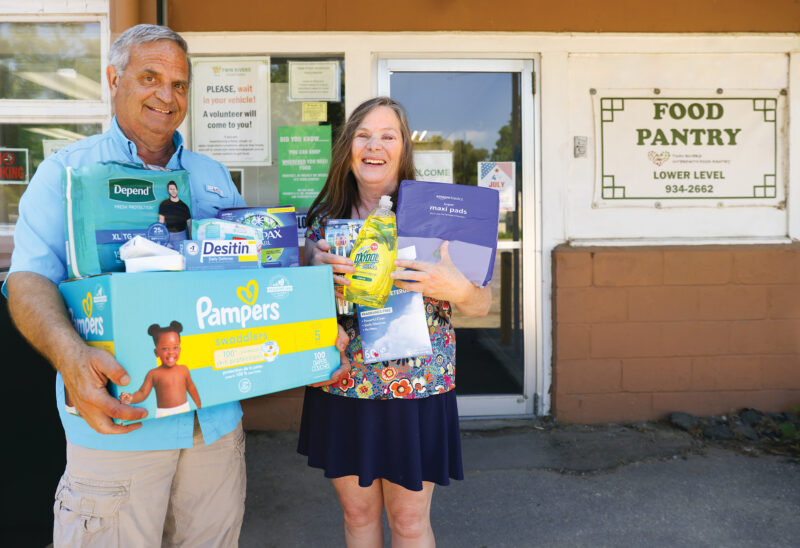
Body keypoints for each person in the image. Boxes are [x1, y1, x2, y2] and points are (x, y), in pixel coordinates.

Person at [5, 23, 348, 547]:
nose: (167, 95)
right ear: (113, 78)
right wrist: (70, 357)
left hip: (214, 424)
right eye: (150, 77)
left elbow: (256, 270)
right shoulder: (66, 173)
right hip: (121, 424)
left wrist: (309, 276)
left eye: (180, 83)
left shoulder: (212, 175)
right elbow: (28, 281)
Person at [300, 96, 492, 547]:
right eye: (363, 135)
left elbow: (481, 305)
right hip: (342, 386)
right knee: (358, 517)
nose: (374, 146)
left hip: (416, 391)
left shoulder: (441, 218)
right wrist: (310, 275)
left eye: (388, 136)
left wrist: (457, 288)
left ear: (404, 149)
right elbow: (291, 309)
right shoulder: (320, 223)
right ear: (348, 147)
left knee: (407, 523)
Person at [120, 321, 202, 418]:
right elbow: (142, 393)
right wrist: (131, 398)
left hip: (184, 409)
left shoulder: (183, 369)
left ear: (180, 349)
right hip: (164, 413)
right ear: (156, 352)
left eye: (175, 347)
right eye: (165, 349)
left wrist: (199, 405)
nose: (171, 352)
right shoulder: (154, 374)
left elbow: (191, 387)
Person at [158, 180, 191, 246]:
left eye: (174, 189)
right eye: (171, 189)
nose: (173, 191)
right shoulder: (163, 204)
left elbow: (189, 224)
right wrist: (160, 238)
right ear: (168, 191)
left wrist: (190, 238)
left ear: (177, 190)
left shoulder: (184, 206)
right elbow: (161, 222)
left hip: (182, 235)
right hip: (168, 235)